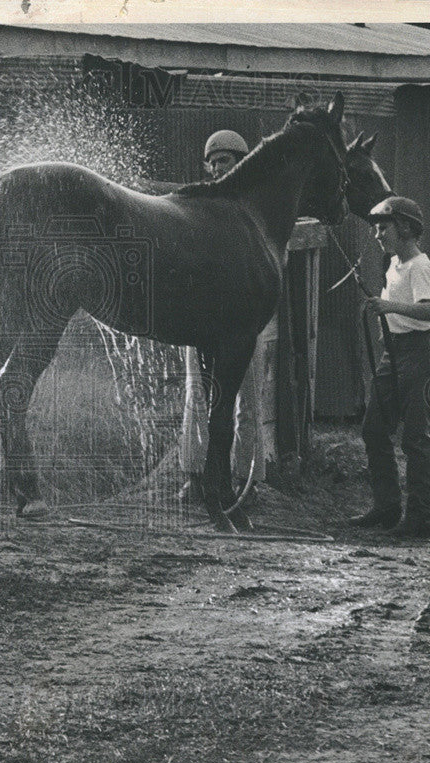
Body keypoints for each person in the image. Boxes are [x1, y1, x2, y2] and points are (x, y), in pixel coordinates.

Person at [179, 129, 270, 508]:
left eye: (226, 161)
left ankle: (247, 479)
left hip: (244, 319)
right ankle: (195, 475)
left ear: (242, 163)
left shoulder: (257, 210)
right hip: (200, 318)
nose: (218, 169)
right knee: (196, 396)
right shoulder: (199, 205)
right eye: (213, 162)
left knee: (246, 400)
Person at [348, 196, 430, 539]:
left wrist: (388, 306)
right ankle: (387, 507)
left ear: (404, 227)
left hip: (418, 354)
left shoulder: (420, 265)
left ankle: (419, 521)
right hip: (393, 353)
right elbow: (395, 308)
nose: (377, 235)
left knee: (416, 439)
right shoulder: (393, 265)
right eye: (376, 228)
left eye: (382, 227)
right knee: (374, 428)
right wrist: (383, 308)